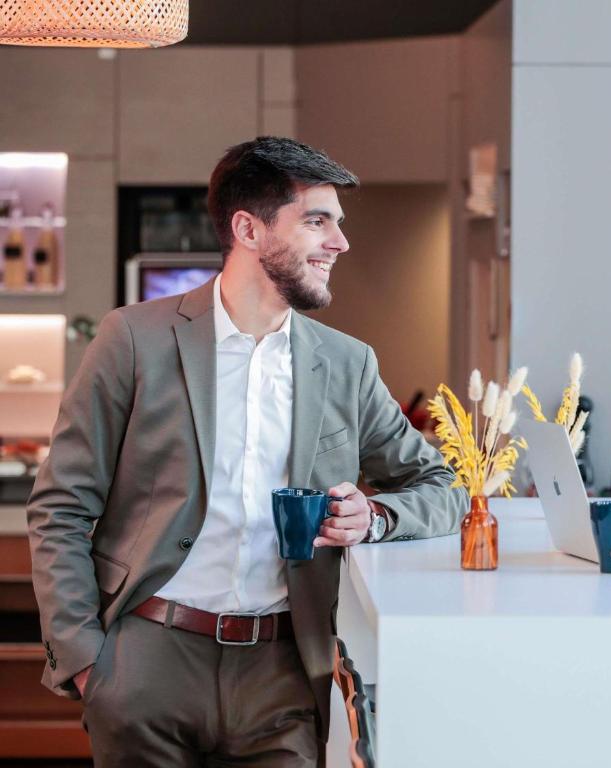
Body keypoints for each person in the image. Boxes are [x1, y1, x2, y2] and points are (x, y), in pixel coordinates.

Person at [26, 136, 467, 766]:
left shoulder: (347, 364)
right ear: (249, 229)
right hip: (146, 659)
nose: (339, 242)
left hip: (285, 672)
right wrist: (89, 664)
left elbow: (443, 487)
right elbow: (61, 507)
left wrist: (376, 518)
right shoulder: (133, 340)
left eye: (338, 224)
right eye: (317, 221)